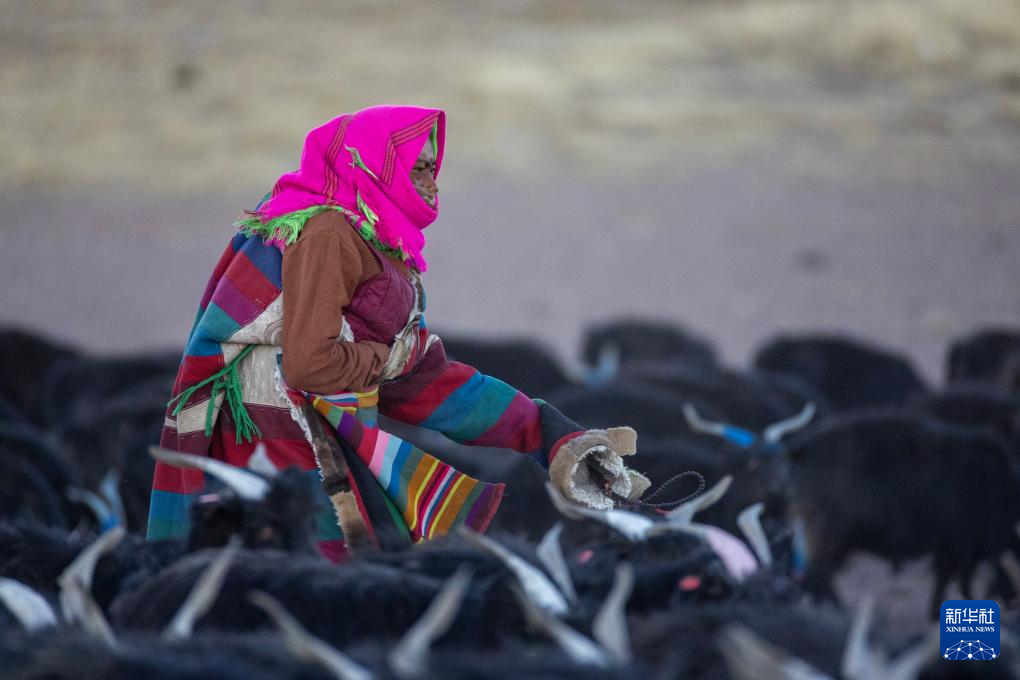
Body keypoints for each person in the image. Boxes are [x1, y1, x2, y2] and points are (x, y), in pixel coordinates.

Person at [148, 105, 649, 559]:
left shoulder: (376, 242)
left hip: (319, 433)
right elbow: (311, 364)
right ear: (372, 168)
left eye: (434, 169)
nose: (433, 184)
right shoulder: (327, 233)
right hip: (279, 440)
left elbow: (421, 380)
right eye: (418, 169)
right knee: (317, 580)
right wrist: (381, 359)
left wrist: (549, 434)